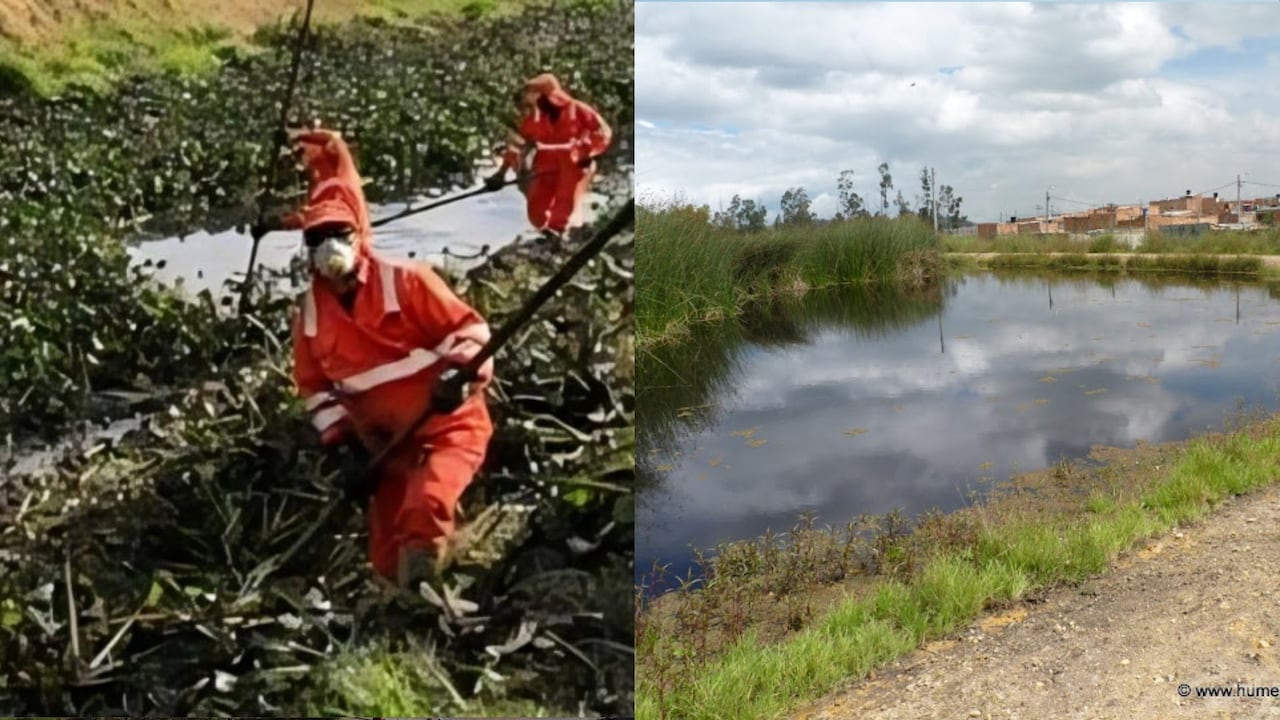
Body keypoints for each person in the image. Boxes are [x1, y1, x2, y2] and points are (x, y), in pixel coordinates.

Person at [252, 125, 495, 590]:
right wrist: (343, 446)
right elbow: (314, 388)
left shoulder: (407, 282)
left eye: (337, 234)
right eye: (317, 238)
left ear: (357, 235)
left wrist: (458, 378)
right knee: (385, 551)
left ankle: (422, 603)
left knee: (426, 506)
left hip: (447, 426)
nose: (330, 247)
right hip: (385, 445)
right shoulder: (308, 316)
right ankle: (402, 590)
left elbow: (471, 331)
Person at [484, 73, 612, 242]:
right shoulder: (534, 121)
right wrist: (500, 173)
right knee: (536, 211)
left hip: (573, 166)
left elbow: (603, 133)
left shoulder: (579, 110)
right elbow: (521, 147)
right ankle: (546, 232)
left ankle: (560, 231)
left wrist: (585, 150)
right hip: (544, 169)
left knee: (566, 199)